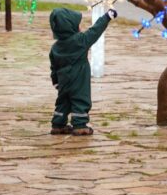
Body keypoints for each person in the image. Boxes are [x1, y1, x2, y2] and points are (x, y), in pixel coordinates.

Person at [48, 7, 117, 136]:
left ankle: (58, 124)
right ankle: (79, 125)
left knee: (63, 102)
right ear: (70, 27)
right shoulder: (81, 41)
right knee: (80, 100)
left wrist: (56, 81)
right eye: (77, 24)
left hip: (63, 80)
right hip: (79, 79)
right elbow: (95, 31)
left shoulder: (55, 48)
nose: (80, 27)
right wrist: (107, 17)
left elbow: (54, 67)